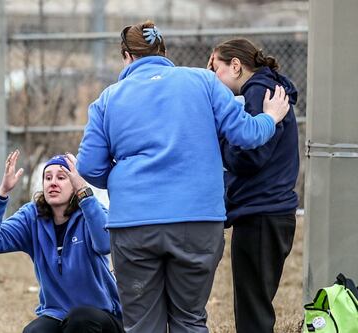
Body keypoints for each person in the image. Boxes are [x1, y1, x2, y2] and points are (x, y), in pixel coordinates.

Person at [76, 20, 291, 333]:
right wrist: (270, 117)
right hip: (198, 222)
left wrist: (127, 180)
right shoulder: (203, 82)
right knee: (189, 319)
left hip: (134, 226)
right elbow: (245, 135)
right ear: (163, 51)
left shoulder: (108, 100)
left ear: (127, 56)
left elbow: (89, 167)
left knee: (141, 324)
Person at [0, 151, 123, 333]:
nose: (53, 182)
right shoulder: (31, 217)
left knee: (81, 320)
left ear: (75, 183)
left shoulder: (91, 211)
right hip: (56, 314)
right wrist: (2, 193)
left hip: (102, 316)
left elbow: (105, 244)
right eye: (48, 177)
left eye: (62, 177)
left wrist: (84, 192)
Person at [208, 38, 299, 333]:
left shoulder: (259, 91)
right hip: (265, 212)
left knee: (253, 314)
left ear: (236, 66)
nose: (212, 78)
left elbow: (248, 156)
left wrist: (220, 136)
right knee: (254, 306)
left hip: (262, 212)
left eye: (215, 69)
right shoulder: (264, 88)